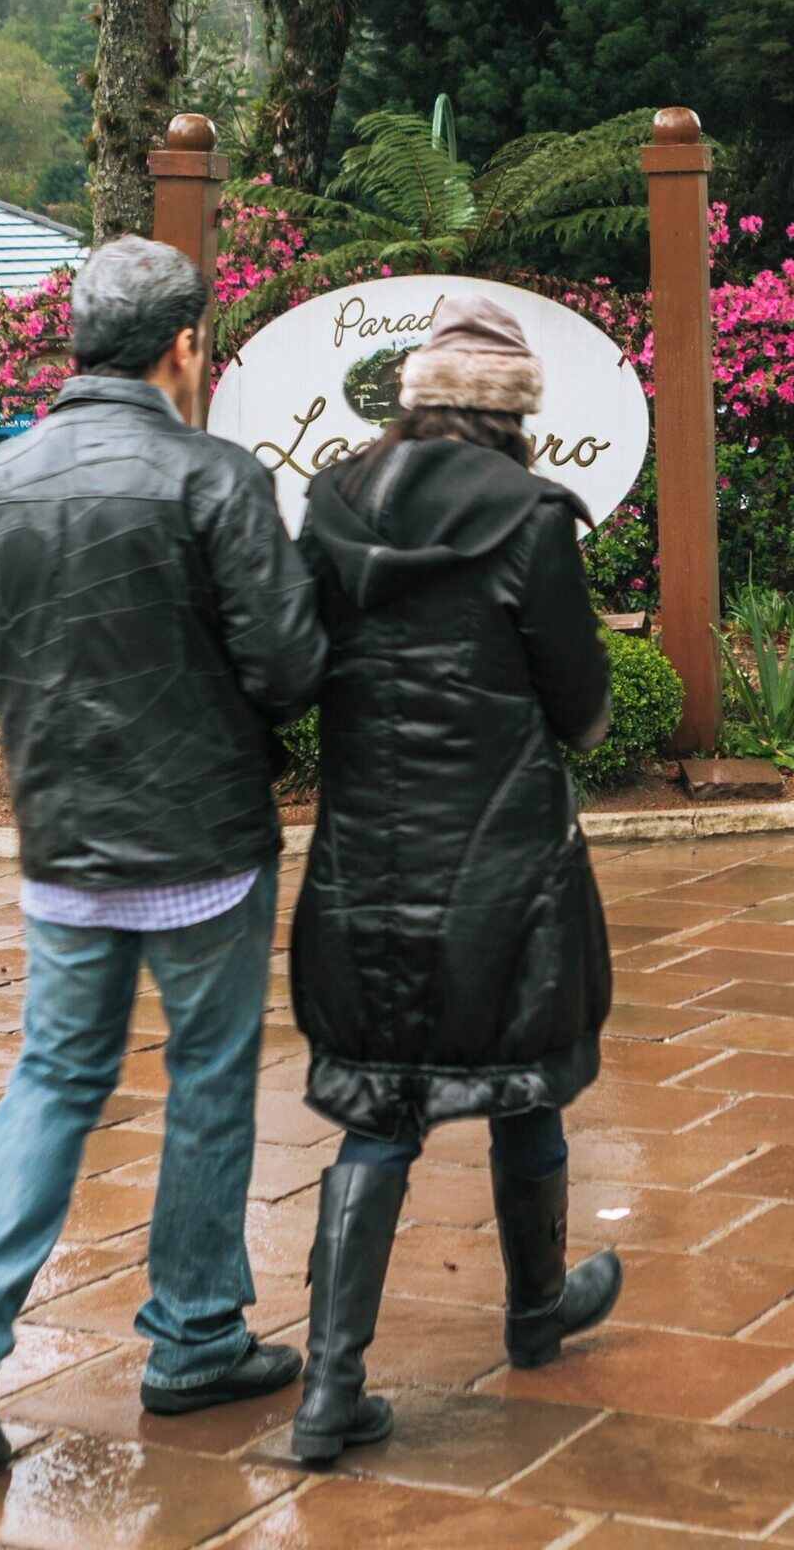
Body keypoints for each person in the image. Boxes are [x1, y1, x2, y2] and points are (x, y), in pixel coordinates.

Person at [0, 238, 324, 1469]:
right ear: (185, 345)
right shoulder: (215, 479)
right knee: (206, 1082)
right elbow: (291, 671)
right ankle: (195, 1338)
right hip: (205, 851)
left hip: (63, 850)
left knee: (51, 1081)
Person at [285, 292, 623, 1464]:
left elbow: (291, 662)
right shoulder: (532, 521)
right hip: (504, 866)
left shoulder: (326, 507)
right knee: (525, 1081)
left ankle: (330, 1390)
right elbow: (580, 714)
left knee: (378, 1107)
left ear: (413, 401)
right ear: (511, 418)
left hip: (361, 867)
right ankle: (535, 1314)